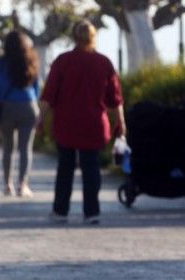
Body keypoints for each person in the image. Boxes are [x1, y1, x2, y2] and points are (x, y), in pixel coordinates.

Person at [39, 20, 125, 225]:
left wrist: (40, 118)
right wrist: (121, 122)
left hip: (67, 123)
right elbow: (115, 99)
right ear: (93, 37)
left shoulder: (62, 61)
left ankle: (60, 210)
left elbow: (49, 95)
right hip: (93, 124)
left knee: (65, 168)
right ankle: (91, 211)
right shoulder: (104, 63)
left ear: (74, 37)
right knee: (91, 168)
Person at [0, 31, 40, 198]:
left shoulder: (1, 63)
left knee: (8, 147)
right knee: (26, 148)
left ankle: (7, 185)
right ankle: (23, 184)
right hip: (29, 106)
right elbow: (36, 87)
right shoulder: (31, 60)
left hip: (8, 107)